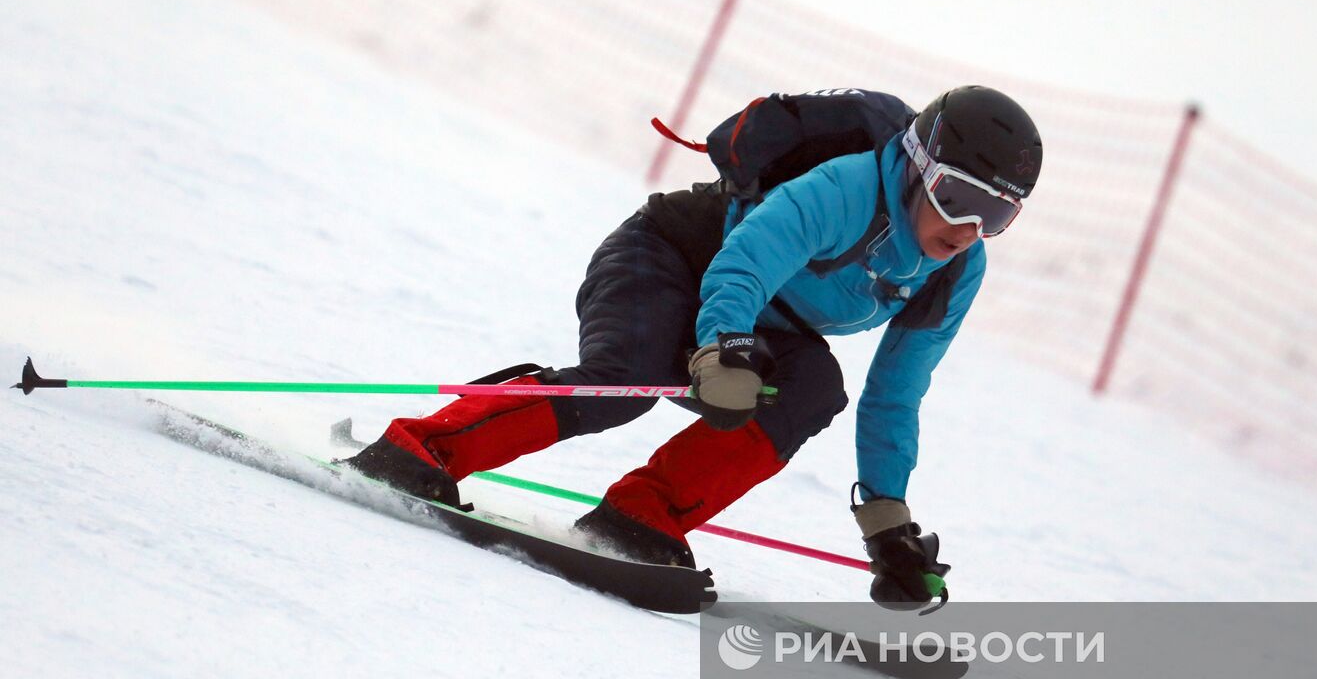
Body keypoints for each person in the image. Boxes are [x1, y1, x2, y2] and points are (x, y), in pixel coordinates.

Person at [344, 85, 1043, 605]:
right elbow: (745, 262)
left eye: (997, 213)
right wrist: (721, 347)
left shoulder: (956, 269)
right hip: (670, 255)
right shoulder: (848, 187)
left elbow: (896, 393)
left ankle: (642, 513)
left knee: (813, 388)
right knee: (627, 379)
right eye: (957, 196)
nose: (967, 227)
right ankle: (422, 447)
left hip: (759, 314)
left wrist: (886, 521)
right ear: (918, 165)